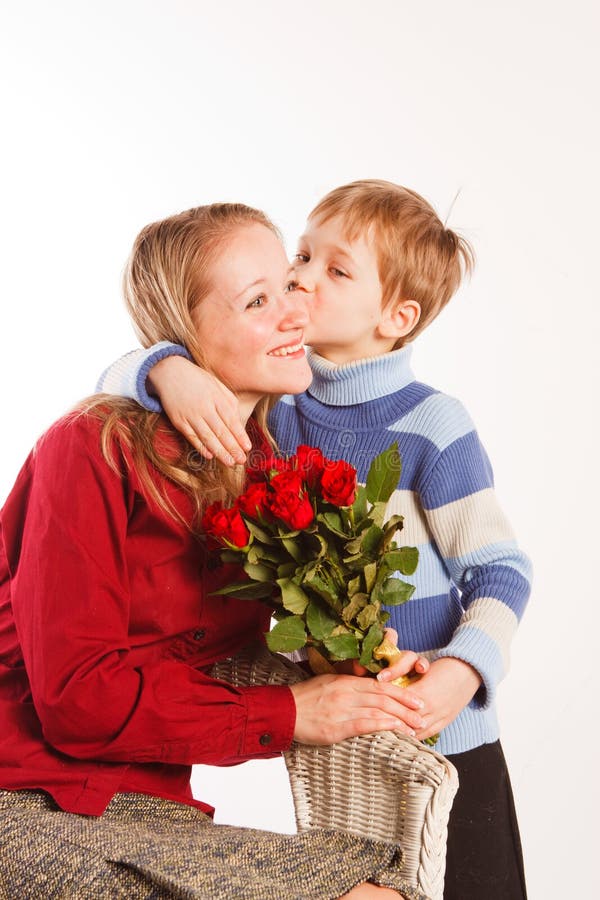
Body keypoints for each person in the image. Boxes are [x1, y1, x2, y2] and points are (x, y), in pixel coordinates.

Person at [98, 180, 533, 900]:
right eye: (301, 254)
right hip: (344, 746)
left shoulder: (434, 425)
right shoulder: (276, 404)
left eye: (335, 269)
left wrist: (462, 675)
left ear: (397, 317)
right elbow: (113, 382)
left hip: (449, 739)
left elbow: (500, 574)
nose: (299, 276)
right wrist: (165, 369)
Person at [0, 202, 434, 900]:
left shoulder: (267, 469)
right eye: (257, 300)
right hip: (26, 794)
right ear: (184, 340)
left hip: (147, 807)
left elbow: (250, 642)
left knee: (379, 892)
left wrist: (346, 658)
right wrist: (290, 714)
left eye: (286, 287)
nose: (295, 312)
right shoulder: (89, 450)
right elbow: (76, 699)